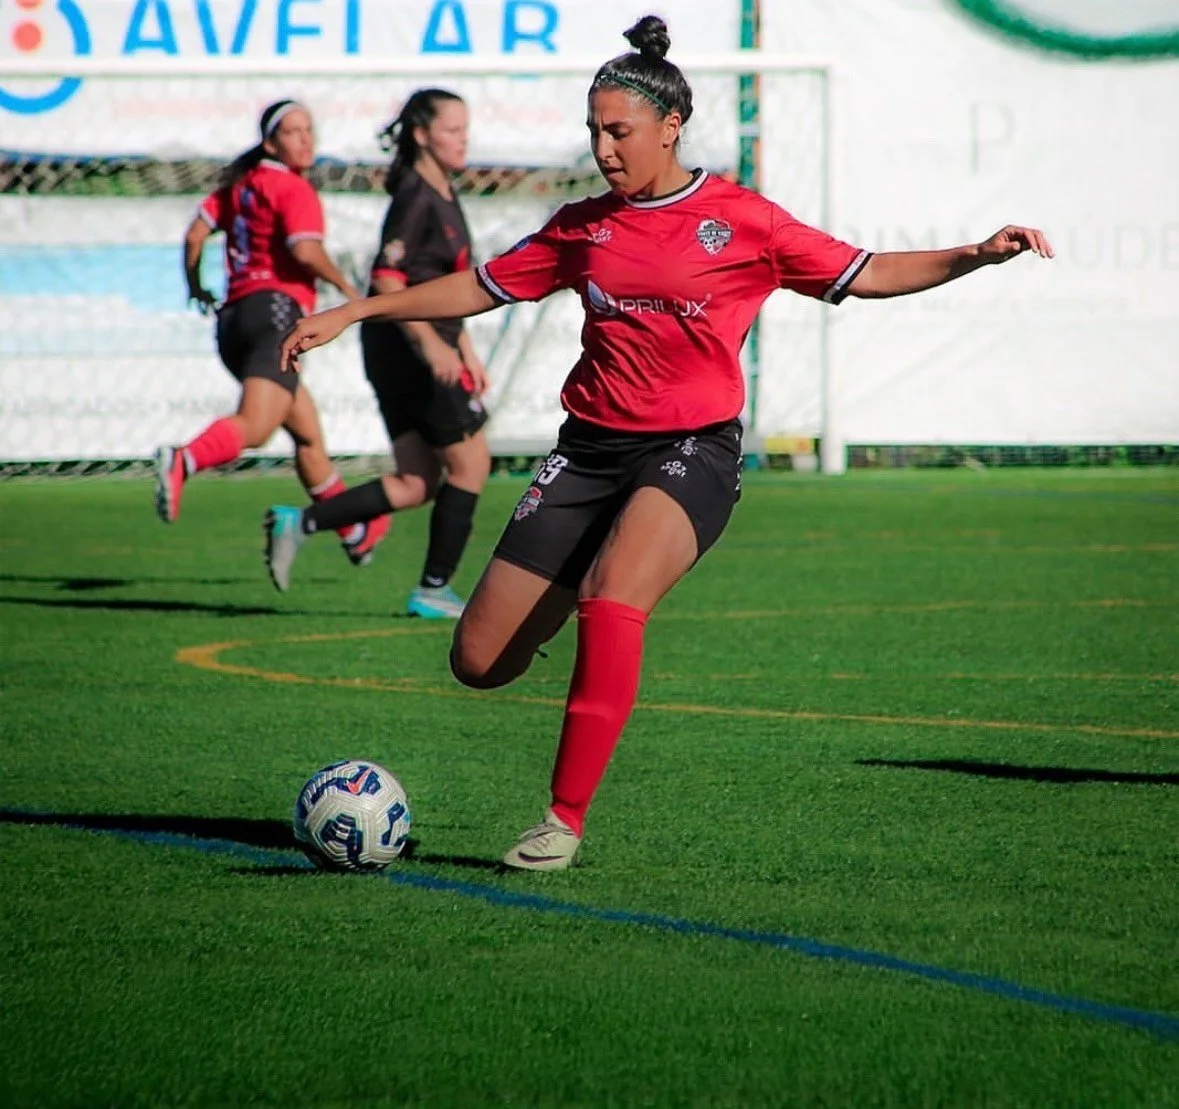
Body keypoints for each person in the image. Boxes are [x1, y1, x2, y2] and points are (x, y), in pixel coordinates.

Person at [277, 16, 1054, 871]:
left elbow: (866, 272)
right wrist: (352, 310)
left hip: (691, 451)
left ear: (669, 128)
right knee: (477, 660)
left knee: (614, 597)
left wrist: (977, 253)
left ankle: (561, 820)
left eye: (619, 131)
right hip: (587, 453)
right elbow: (476, 288)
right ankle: (575, 596)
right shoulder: (584, 226)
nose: (603, 148)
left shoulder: (740, 219)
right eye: (593, 131)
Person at [262, 88, 491, 619]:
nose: (463, 139)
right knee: (471, 461)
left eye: (465, 128)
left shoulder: (442, 191)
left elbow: (450, 284)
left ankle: (299, 523)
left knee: (416, 480)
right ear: (421, 135)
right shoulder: (416, 194)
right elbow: (387, 280)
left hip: (401, 346)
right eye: (452, 129)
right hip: (405, 346)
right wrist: (433, 343)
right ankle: (434, 588)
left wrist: (467, 348)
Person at [156, 99, 388, 568]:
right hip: (275, 316)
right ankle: (185, 460)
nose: (306, 139)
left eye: (309, 129)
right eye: (293, 131)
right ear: (270, 142)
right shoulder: (292, 188)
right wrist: (346, 288)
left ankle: (354, 529)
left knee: (307, 438)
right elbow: (304, 250)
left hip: (234, 322)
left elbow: (195, 236)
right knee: (256, 428)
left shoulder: (239, 186)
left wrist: (196, 286)